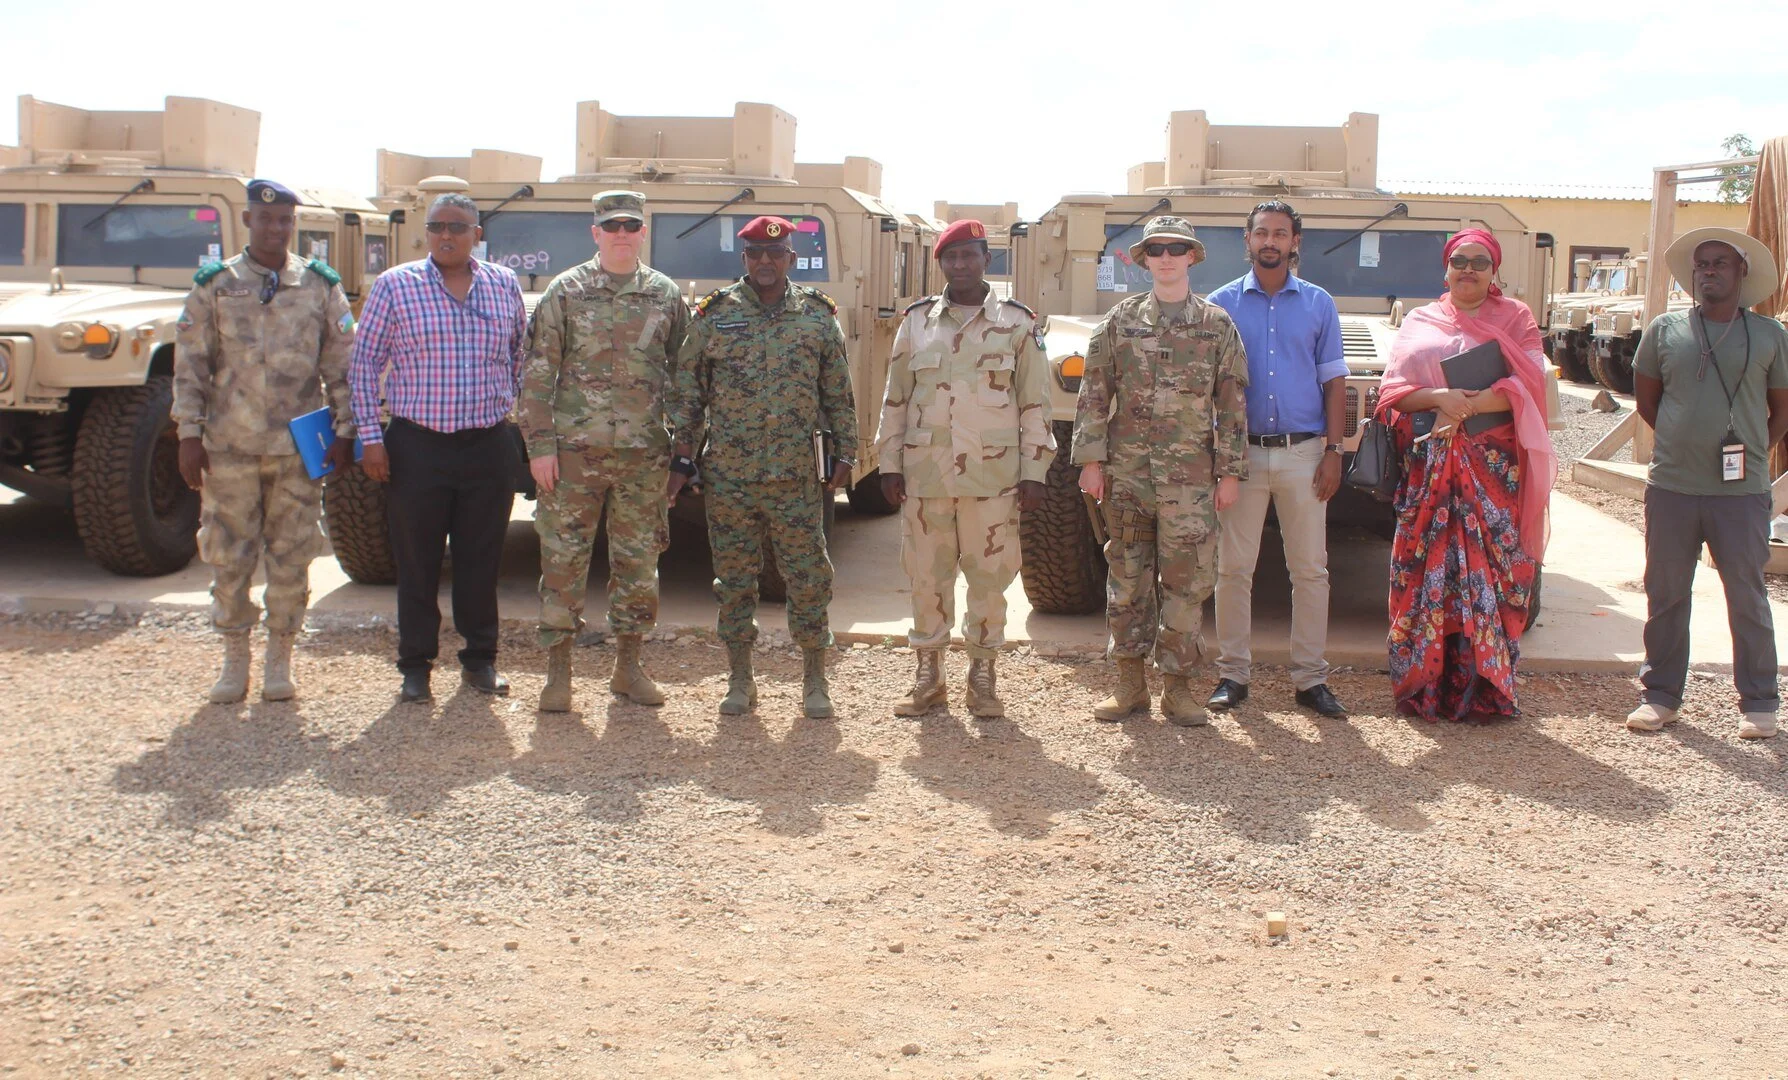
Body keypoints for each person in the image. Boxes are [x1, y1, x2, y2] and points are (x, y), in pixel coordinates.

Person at [172, 179, 357, 703]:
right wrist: (188, 434)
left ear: (292, 225)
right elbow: (191, 365)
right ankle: (235, 660)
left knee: (292, 555)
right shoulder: (215, 284)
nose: (276, 227)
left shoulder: (319, 285)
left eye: (284, 220)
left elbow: (342, 364)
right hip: (228, 446)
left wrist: (346, 431)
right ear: (249, 220)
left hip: (298, 450)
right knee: (228, 556)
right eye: (265, 218)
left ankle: (280, 657)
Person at [669, 215, 857, 719]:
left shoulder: (817, 316)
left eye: (775, 254)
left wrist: (848, 454)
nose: (766, 262)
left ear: (791, 259)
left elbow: (838, 393)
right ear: (744, 258)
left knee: (809, 578)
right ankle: (740, 678)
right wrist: (682, 456)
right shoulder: (714, 315)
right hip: (729, 476)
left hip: (795, 478)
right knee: (733, 581)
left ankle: (815, 680)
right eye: (755, 253)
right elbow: (688, 393)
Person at [349, 192, 528, 704]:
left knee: (481, 558)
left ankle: (479, 660)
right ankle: (415, 666)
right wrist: (370, 439)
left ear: (477, 235)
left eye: (457, 226)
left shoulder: (501, 284)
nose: (445, 235)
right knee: (418, 561)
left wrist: (511, 412)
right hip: (416, 446)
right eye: (436, 227)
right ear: (426, 233)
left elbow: (520, 353)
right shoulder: (395, 286)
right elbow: (363, 366)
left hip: (487, 444)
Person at [1072, 216, 1249, 726]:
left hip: (1191, 481)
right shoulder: (1118, 322)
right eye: (1156, 249)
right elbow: (1094, 395)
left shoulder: (1216, 325)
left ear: (1192, 256)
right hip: (1128, 476)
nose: (1166, 257)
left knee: (1187, 583)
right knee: (1127, 579)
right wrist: (1089, 460)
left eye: (1176, 248)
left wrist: (1230, 471)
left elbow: (1233, 404)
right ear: (1143, 258)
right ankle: (1129, 684)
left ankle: (1177, 687)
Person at [874, 219, 1053, 718]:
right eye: (950, 257)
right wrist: (888, 463)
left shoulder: (1018, 324)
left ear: (986, 260)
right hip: (926, 475)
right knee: (926, 578)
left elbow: (1034, 404)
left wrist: (1035, 472)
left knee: (989, 580)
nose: (960, 265)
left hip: (992, 478)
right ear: (941, 264)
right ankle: (928, 676)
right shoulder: (916, 322)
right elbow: (895, 399)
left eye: (969, 255)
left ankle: (983, 676)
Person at [1376, 228, 1555, 722]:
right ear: (1446, 267)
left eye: (1480, 261)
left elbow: (1528, 383)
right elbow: (1394, 391)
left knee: (1495, 572)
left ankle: (1484, 688)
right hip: (1429, 467)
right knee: (1427, 570)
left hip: (1492, 466)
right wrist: (1439, 399)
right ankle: (1424, 688)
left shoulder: (1516, 318)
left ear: (1494, 270)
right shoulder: (1419, 319)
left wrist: (1464, 407)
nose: (1469, 269)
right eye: (1460, 260)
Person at [521, 190, 689, 713]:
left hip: (643, 459)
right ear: (595, 233)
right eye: (611, 226)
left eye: (630, 226)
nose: (621, 234)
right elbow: (537, 373)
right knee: (563, 561)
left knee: (638, 565)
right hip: (573, 456)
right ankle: (559, 674)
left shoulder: (665, 295)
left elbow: (684, 379)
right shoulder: (565, 291)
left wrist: (683, 454)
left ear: (644, 232)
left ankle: (628, 667)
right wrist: (540, 448)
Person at [1627, 227, 1787, 740]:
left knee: (1747, 593)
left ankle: (1759, 701)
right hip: (1672, 486)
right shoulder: (1664, 330)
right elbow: (1647, 401)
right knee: (1667, 592)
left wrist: (1751, 452)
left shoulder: (1769, 335)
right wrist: (1682, 443)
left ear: (1742, 273)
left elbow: (1782, 410)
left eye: (1720, 263)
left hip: (1741, 495)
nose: (1709, 271)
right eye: (1701, 265)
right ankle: (1661, 696)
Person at [1206, 200, 1349, 718]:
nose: (1270, 241)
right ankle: (1232, 675)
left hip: (1304, 454)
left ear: (1295, 243)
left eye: (1280, 233)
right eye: (1261, 232)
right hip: (1240, 457)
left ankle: (1310, 680)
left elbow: (1335, 383)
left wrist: (1333, 451)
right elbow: (1209, 388)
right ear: (1247, 240)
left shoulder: (1318, 304)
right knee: (1233, 570)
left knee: (1310, 570)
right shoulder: (1219, 307)